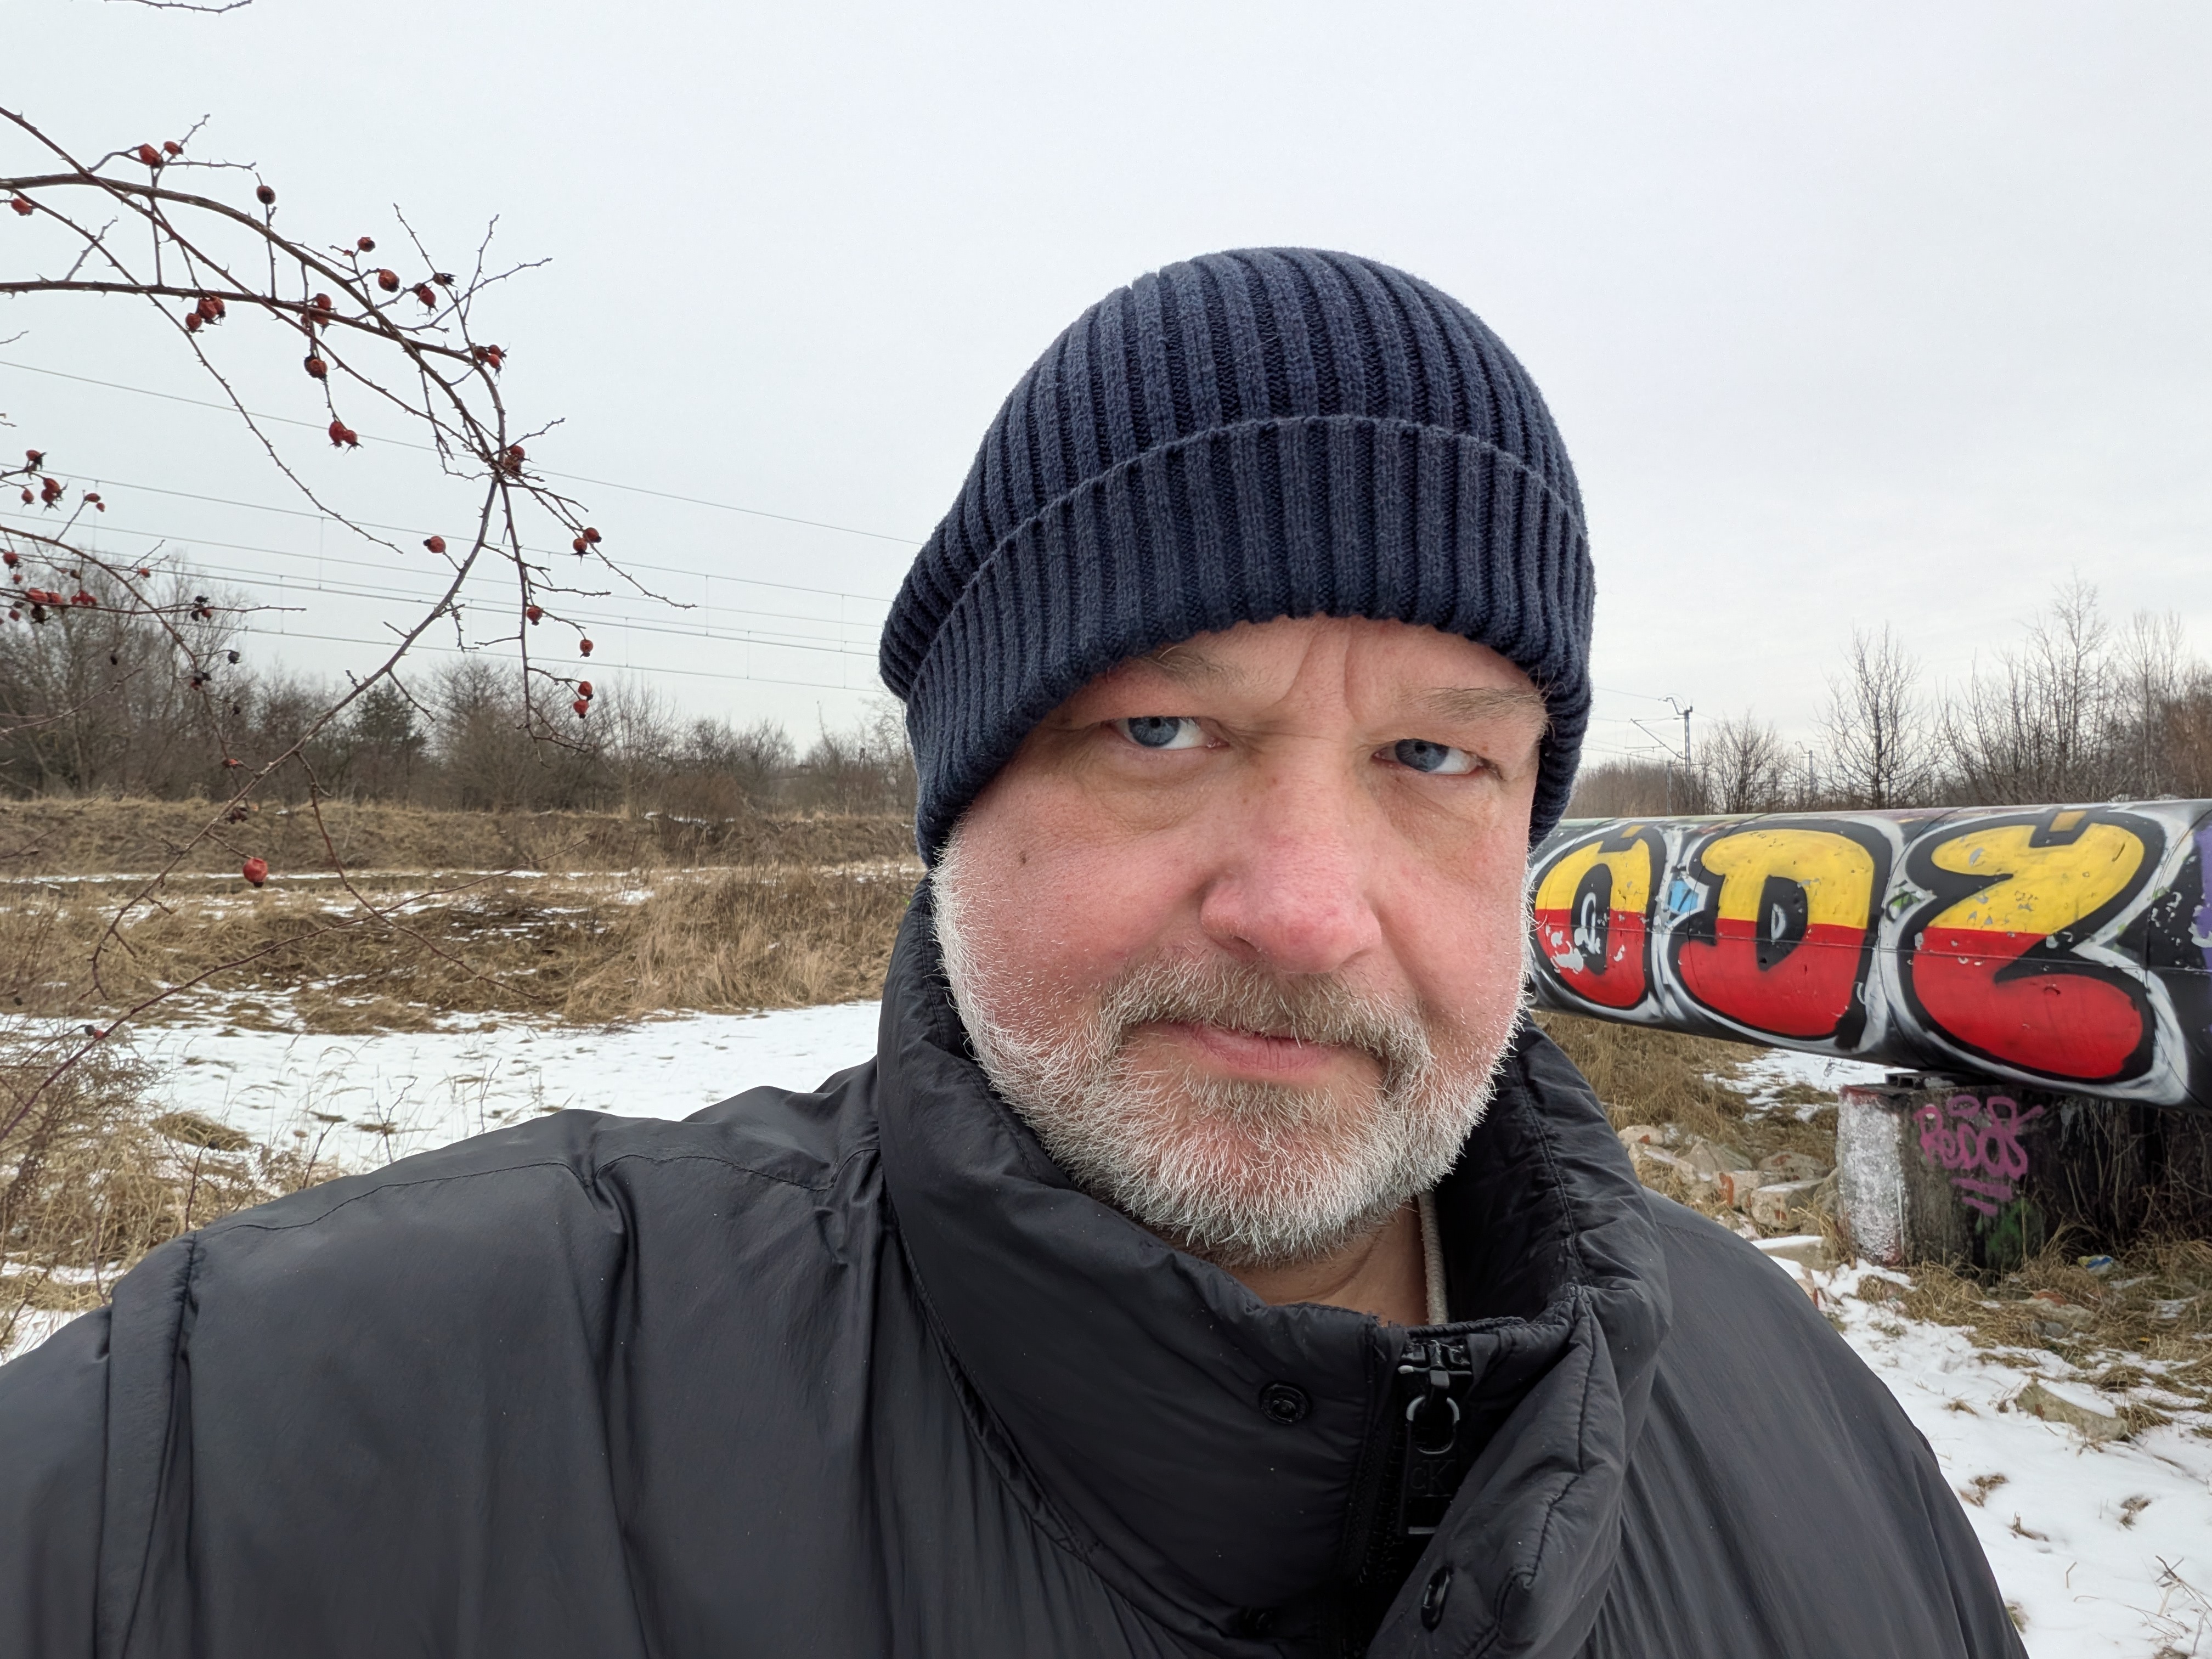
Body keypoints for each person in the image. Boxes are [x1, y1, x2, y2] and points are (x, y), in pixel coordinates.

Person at [0, 249, 2021, 1657]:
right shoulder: (280, 1442)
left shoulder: (1808, 1435)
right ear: (958, 801)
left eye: (1434, 759)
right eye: (1162, 731)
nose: (1305, 905)